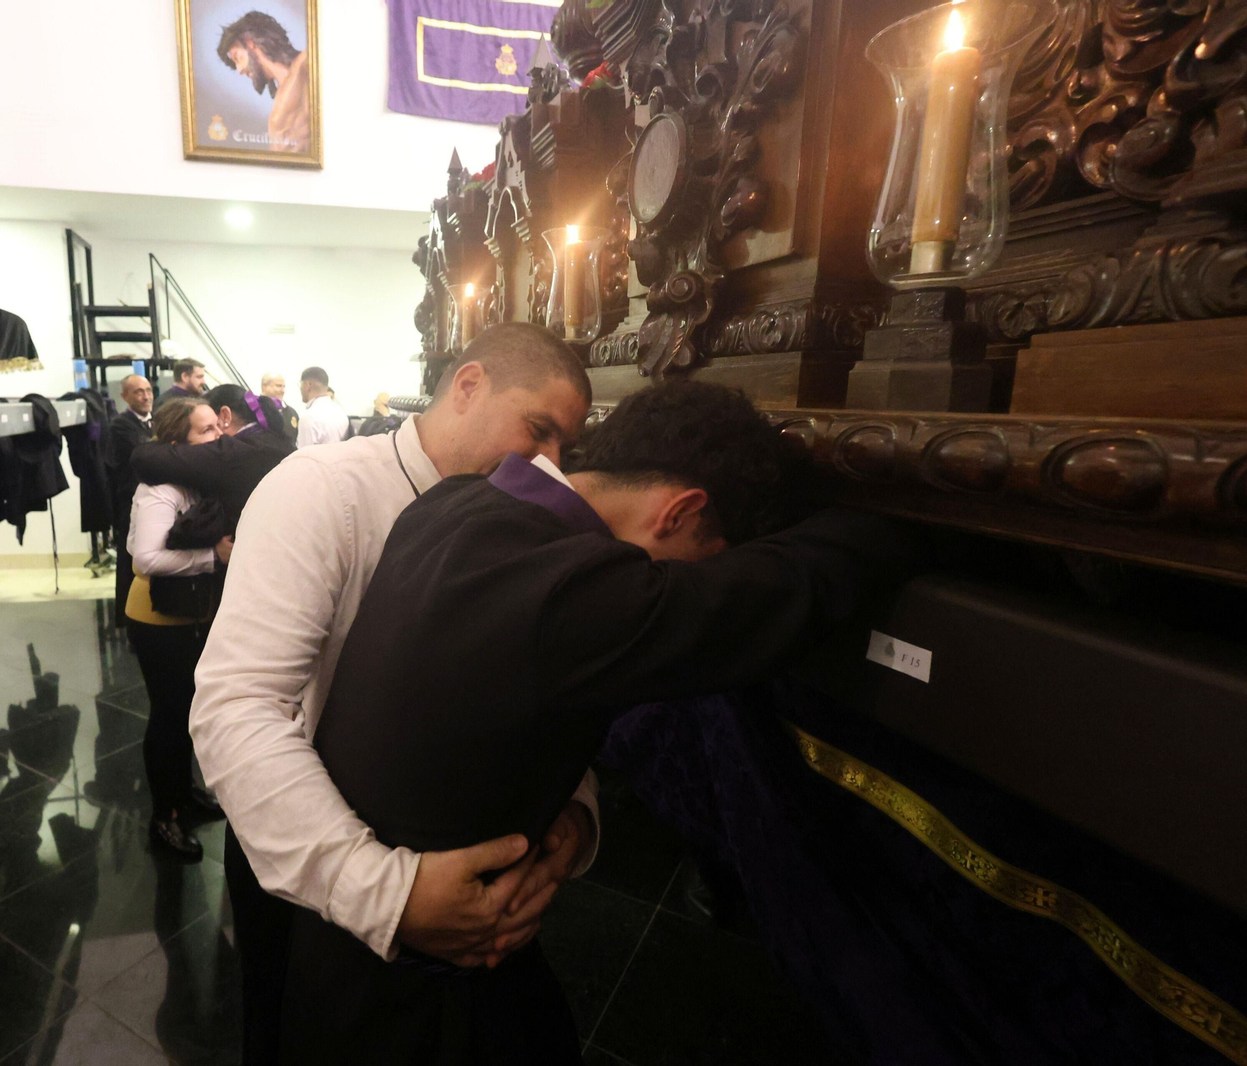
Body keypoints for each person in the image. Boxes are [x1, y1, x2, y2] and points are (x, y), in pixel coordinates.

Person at [282, 382, 916, 1064]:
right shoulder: (580, 592)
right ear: (682, 511)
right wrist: (904, 508)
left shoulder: (457, 499)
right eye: (714, 555)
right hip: (416, 991)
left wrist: (575, 813)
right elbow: (795, 586)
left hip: (336, 952)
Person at [191, 324, 603, 1064]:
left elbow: (542, 691)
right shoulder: (320, 490)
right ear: (469, 385)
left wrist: (571, 816)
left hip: (469, 871)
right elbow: (237, 710)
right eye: (538, 431)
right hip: (309, 866)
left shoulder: (528, 519)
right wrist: (385, 891)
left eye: (567, 449)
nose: (551, 466)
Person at [125, 398, 233, 860]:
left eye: (217, 428)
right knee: (168, 716)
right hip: (156, 617)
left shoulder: (193, 481)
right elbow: (145, 557)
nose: (218, 437)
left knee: (187, 713)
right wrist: (214, 557)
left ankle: (184, 792)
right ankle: (164, 817)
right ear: (177, 442)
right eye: (205, 431)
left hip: (187, 613)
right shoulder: (159, 489)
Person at [128, 383, 295, 534]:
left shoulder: (233, 452)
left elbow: (142, 458)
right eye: (207, 429)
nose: (218, 436)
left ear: (225, 416)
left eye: (213, 426)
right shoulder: (274, 439)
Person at [217, 11, 312, 154]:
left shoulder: (307, 61)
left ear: (250, 43)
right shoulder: (280, 102)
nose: (239, 70)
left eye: (237, 58)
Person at [106, 374, 156, 626]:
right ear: (124, 396)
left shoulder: (154, 422)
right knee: (128, 559)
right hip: (128, 502)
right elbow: (146, 450)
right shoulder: (120, 425)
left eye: (148, 390)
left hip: (148, 500)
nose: (146, 396)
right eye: (138, 392)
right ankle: (125, 618)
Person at [296, 366, 349, 448]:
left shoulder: (309, 417)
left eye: (301, 384)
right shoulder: (340, 412)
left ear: (308, 385)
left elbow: (303, 456)